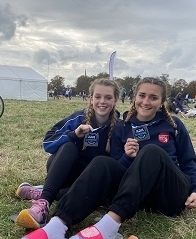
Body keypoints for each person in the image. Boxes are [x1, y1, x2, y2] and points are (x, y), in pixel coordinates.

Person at [10, 77, 196, 239]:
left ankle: (110, 225)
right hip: (142, 199)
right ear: (134, 97)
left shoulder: (174, 125)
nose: (146, 102)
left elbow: (189, 161)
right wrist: (129, 158)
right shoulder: (122, 126)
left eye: (153, 98)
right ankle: (57, 226)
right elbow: (116, 170)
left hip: (170, 194)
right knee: (102, 162)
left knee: (151, 152)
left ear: (162, 101)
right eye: (142, 96)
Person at [14, 78, 120, 229]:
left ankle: (43, 191)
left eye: (108, 97)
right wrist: (74, 135)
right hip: (64, 172)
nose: (102, 101)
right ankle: (44, 203)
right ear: (90, 99)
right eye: (97, 97)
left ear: (115, 99)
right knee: (69, 146)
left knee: (95, 195)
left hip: (90, 182)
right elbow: (47, 143)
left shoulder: (120, 127)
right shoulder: (78, 118)